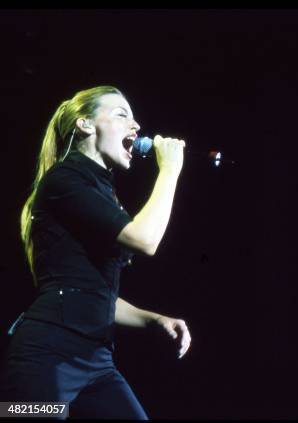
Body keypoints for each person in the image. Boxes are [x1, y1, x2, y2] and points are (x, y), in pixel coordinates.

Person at [0, 86, 191, 419]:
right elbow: (145, 239)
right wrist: (171, 170)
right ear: (85, 125)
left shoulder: (101, 191)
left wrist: (153, 319)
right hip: (47, 354)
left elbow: (95, 294)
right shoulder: (65, 180)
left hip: (96, 362)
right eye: (121, 114)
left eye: (134, 118)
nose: (135, 126)